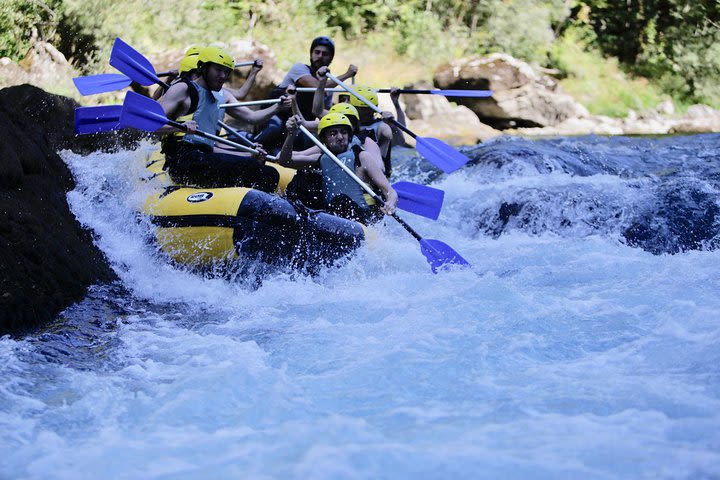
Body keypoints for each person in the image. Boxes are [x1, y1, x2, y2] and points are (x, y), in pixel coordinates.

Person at [157, 46, 280, 192]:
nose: (223, 76)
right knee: (261, 172)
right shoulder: (182, 89)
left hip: (203, 158)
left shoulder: (218, 96)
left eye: (226, 72)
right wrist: (179, 127)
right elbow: (153, 126)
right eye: (218, 70)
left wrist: (278, 107)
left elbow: (250, 118)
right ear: (204, 68)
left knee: (268, 172)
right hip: (182, 161)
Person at [277, 112, 397, 224]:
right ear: (324, 139)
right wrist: (291, 134)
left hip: (362, 217)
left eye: (343, 132)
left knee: (341, 201)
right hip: (333, 216)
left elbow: (390, 192)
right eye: (333, 133)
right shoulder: (322, 159)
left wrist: (390, 203)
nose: (340, 137)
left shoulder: (362, 156)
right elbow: (284, 161)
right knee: (303, 179)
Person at [254, 36, 358, 151]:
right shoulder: (299, 68)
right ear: (311, 54)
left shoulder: (330, 85)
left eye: (325, 54)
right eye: (317, 52)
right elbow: (316, 86)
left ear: (330, 59)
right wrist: (346, 75)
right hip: (275, 117)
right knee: (274, 128)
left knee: (314, 139)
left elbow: (322, 114)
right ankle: (254, 147)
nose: (320, 56)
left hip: (299, 124)